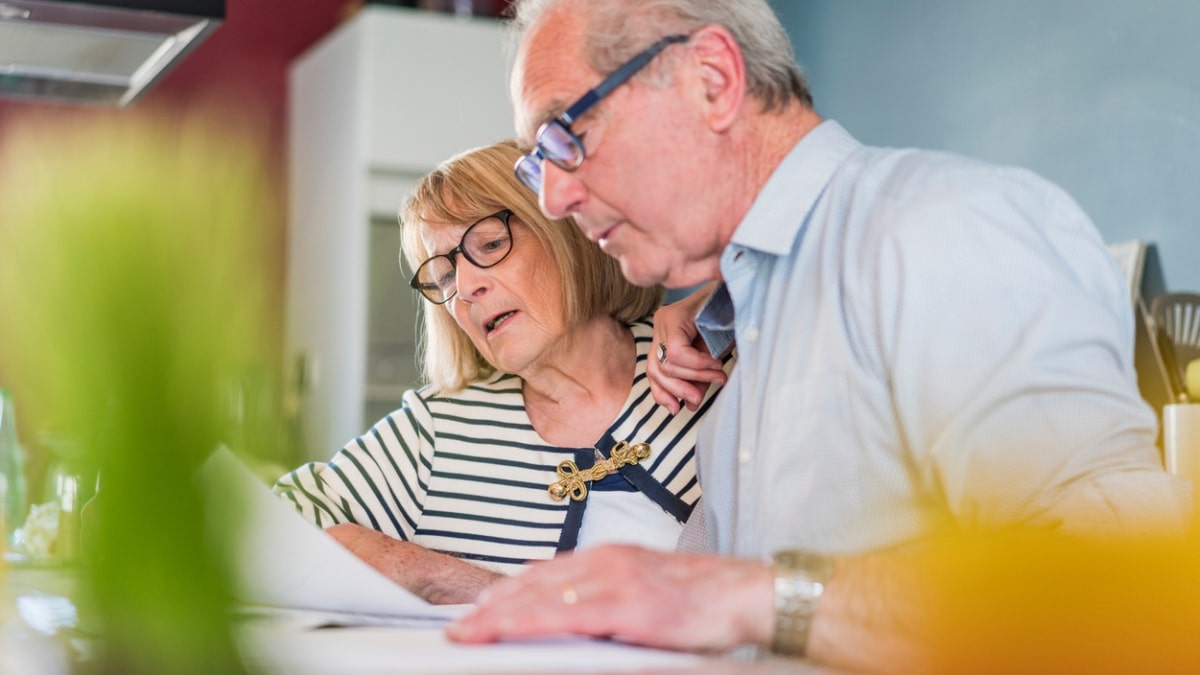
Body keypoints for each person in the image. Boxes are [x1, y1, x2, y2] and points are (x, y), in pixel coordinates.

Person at [445, 0, 1191, 668]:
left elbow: (1129, 594)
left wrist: (755, 597)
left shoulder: (943, 228)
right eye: (537, 160)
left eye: (566, 133)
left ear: (712, 78)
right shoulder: (748, 311)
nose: (552, 194)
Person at [274, 140, 731, 605]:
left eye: (490, 244)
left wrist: (727, 304)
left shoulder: (706, 364)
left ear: (568, 232)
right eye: (445, 276)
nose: (467, 288)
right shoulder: (438, 430)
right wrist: (423, 570)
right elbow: (263, 531)